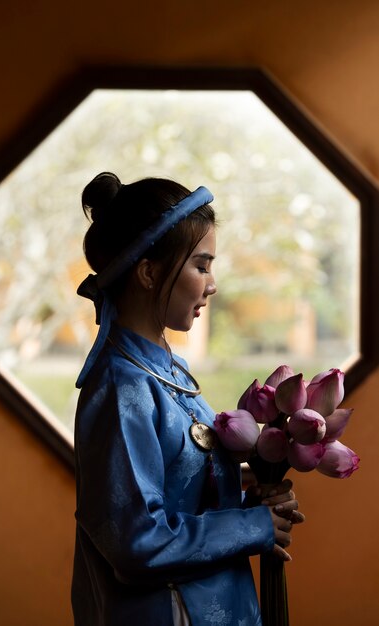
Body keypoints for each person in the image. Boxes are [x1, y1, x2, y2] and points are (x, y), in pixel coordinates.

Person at [71, 172, 304, 626]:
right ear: (149, 272)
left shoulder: (167, 371)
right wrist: (252, 527)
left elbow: (182, 488)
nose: (212, 284)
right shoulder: (124, 389)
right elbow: (137, 541)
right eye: (201, 265)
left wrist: (253, 496)